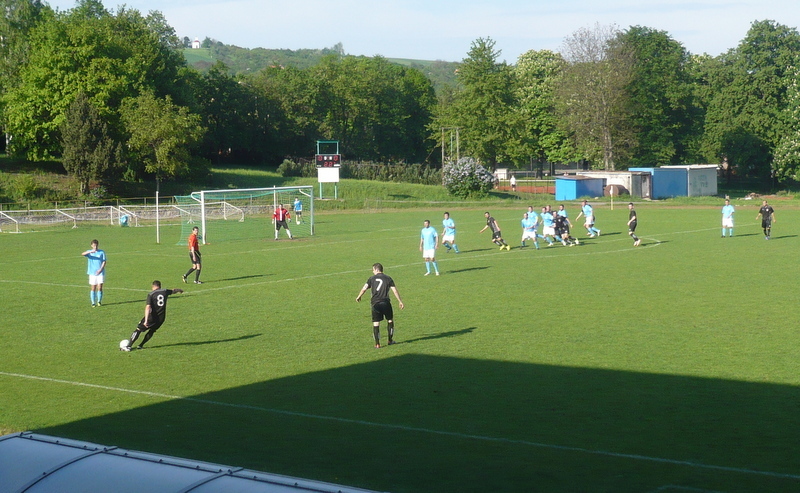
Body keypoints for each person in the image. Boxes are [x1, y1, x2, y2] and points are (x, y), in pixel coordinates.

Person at [121, 280, 184, 351]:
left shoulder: (151, 294)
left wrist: (146, 320)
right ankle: (140, 345)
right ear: (160, 286)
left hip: (151, 317)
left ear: (153, 286)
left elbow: (148, 307)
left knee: (138, 329)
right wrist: (179, 290)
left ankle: (128, 346)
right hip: (161, 318)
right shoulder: (165, 291)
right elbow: (173, 291)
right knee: (152, 331)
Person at [356, 263, 404, 348]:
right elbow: (395, 291)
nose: (372, 271)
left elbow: (364, 288)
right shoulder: (388, 278)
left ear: (376, 269)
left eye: (373, 270)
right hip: (386, 303)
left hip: (375, 304)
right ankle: (390, 340)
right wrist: (400, 301)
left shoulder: (371, 279)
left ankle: (377, 344)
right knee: (390, 320)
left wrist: (359, 296)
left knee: (376, 323)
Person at [81, 239, 106, 307]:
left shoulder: (101, 252)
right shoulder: (89, 252)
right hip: (92, 273)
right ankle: (93, 302)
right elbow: (82, 254)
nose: (95, 247)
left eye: (96, 245)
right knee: (93, 288)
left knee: (100, 287)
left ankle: (99, 301)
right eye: (94, 245)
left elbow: (104, 261)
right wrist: (91, 251)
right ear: (91, 245)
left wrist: (100, 269)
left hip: (100, 273)